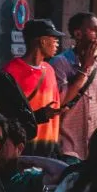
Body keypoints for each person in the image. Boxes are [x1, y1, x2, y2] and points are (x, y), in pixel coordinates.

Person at [50, 12, 97, 160]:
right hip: (67, 150)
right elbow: (61, 100)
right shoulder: (59, 63)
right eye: (94, 30)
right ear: (78, 34)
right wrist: (84, 69)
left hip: (93, 152)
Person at [5, 19, 66, 148]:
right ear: (42, 41)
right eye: (54, 39)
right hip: (23, 149)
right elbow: (7, 116)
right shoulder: (11, 71)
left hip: (49, 148)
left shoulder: (49, 70)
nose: (57, 44)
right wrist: (40, 115)